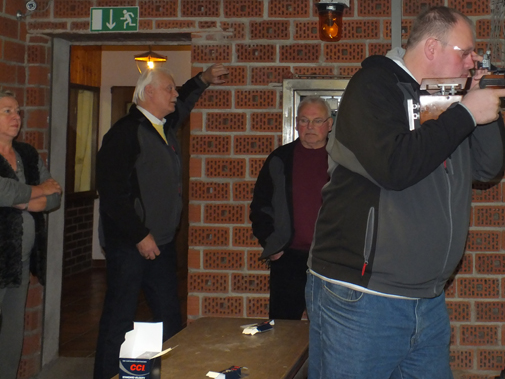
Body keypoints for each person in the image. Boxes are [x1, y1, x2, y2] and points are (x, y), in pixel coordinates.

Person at [305, 6, 505, 379]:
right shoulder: (372, 86)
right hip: (363, 297)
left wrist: (482, 108)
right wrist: (466, 114)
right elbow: (395, 166)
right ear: (432, 47)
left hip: (427, 300)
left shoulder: (447, 100)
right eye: (465, 52)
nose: (472, 62)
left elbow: (487, 168)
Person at [93, 64, 228, 379]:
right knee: (119, 318)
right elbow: (112, 193)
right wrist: (140, 235)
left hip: (162, 244)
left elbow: (184, 102)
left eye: (174, 89)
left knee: (169, 318)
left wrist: (203, 80)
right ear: (148, 92)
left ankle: (171, 373)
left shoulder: (163, 127)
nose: (175, 94)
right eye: (169, 88)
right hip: (130, 244)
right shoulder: (125, 132)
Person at [250, 96, 333, 319]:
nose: (310, 126)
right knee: (283, 329)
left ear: (329, 124)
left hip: (331, 260)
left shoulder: (342, 161)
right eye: (304, 120)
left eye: (317, 121)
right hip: (288, 259)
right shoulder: (280, 159)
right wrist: (272, 243)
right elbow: (260, 206)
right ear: (296, 124)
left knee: (331, 327)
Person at [0, 89, 62, 379]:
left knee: (13, 333)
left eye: (18, 111)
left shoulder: (26, 153)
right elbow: (4, 190)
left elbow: (54, 196)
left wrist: (25, 201)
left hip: (20, 261)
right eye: (7, 111)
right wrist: (36, 192)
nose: (16, 117)